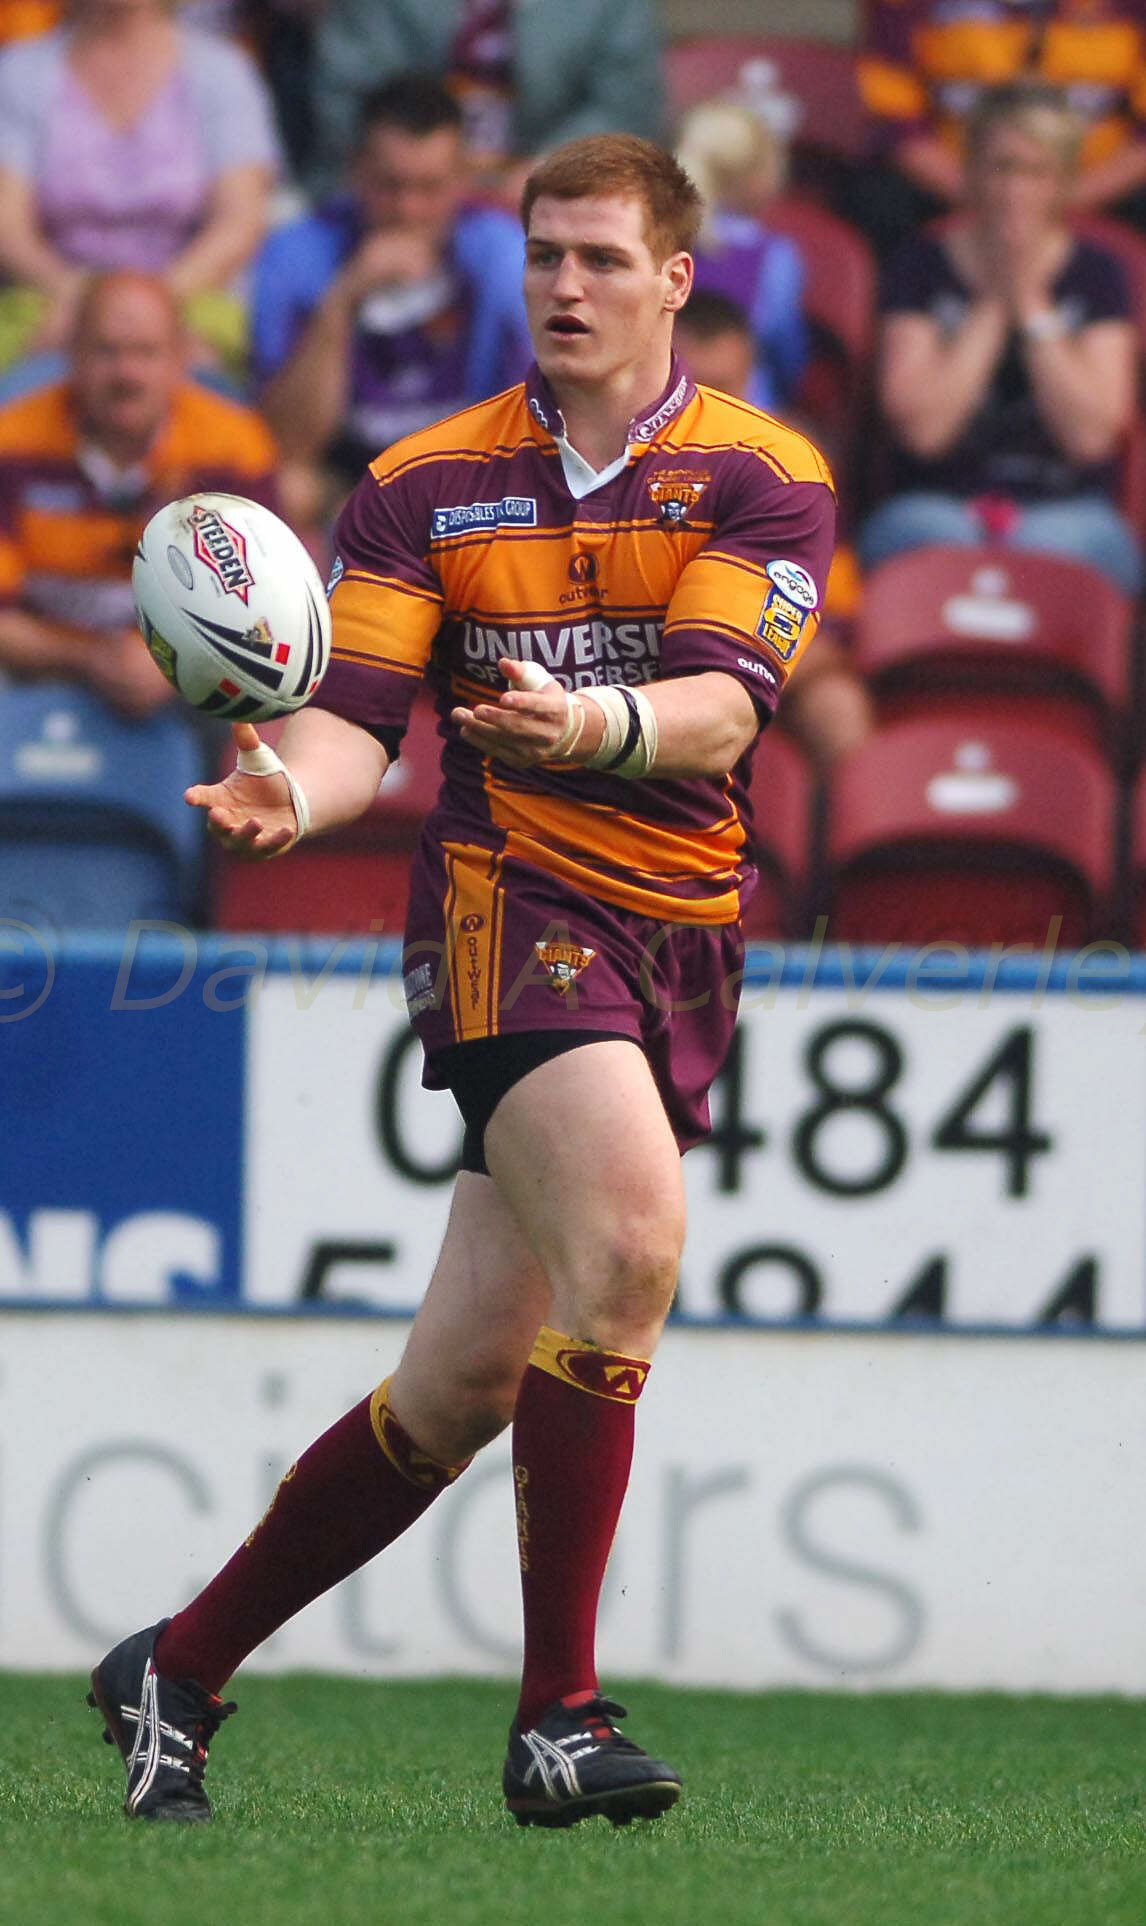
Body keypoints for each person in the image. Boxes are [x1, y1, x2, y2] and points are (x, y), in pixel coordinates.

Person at [87, 134, 835, 1829]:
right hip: (508, 906)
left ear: (674, 280)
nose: (564, 285)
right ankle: (559, 1716)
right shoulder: (426, 483)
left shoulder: (757, 471)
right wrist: (296, 793)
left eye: (599, 257)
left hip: (681, 925)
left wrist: (590, 719)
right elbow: (357, 723)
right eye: (543, 254)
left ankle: (177, 1668)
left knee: (462, 1387)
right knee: (630, 1245)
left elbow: (721, 708)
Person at [860, 82, 1142, 595]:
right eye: (1001, 167)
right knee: (919, 536)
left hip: (1067, 510)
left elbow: (1093, 437)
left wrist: (1030, 299)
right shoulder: (919, 265)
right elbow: (923, 432)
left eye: (1036, 172)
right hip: (939, 505)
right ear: (970, 172)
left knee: (1078, 548)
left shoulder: (1099, 273)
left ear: (1063, 182)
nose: (1015, 190)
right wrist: (992, 302)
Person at [254, 73, 530, 526]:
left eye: (429, 188)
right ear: (356, 171)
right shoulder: (297, 254)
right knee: (288, 487)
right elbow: (287, 442)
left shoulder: (505, 255)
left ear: (463, 178)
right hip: (344, 476)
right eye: (390, 186)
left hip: (470, 473)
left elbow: (533, 424)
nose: (408, 210)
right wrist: (343, 299)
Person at [0, 270, 279, 718]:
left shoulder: (234, 450)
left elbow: (265, 615)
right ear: (71, 354)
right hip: (35, 671)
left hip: (194, 682)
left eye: (146, 352)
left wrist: (176, 663)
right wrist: (91, 657)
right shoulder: (10, 444)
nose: (126, 373)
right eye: (107, 351)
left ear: (181, 359)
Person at [0, 0, 280, 370]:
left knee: (198, 387)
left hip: (191, 296)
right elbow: (9, 228)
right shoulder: (20, 73)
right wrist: (90, 306)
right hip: (51, 297)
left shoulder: (223, 72)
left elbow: (239, 223)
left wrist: (144, 311)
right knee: (27, 385)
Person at [674, 289, 872, 773]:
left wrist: (745, 672)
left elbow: (831, 616)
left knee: (839, 709)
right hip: (653, 662)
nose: (718, 407)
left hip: (770, 661)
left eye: (729, 387)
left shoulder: (794, 461)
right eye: (700, 390)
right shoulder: (624, 454)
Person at [855, 0, 1146, 253]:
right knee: (878, 202)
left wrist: (1069, 197)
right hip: (959, 178)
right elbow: (896, 124)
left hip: (1095, 180)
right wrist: (989, 194)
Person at [308, 0, 665, 201]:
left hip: (556, 191)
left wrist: (551, 168)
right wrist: (418, 171)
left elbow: (628, 103)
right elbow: (346, 94)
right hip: (395, 191)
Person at [676, 98, 807, 412]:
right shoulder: (777, 258)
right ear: (756, 176)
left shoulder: (658, 239)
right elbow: (788, 356)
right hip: (745, 410)